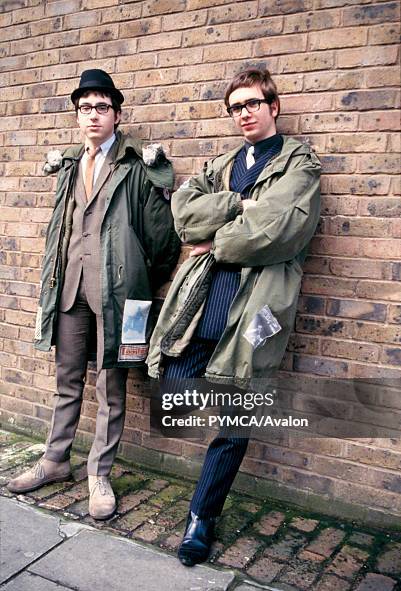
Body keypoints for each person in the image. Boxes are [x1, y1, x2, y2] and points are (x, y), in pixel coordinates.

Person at [147, 67, 321, 565]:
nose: (244, 113)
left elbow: (279, 230)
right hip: (202, 302)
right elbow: (183, 214)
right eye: (236, 106)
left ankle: (202, 517)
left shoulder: (299, 164)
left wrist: (213, 240)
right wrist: (241, 203)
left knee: (235, 417)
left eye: (252, 103)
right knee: (174, 385)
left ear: (274, 106)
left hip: (254, 310)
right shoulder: (222, 164)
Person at [7, 69, 180, 520]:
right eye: (85, 108)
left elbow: (163, 239)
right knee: (67, 381)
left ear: (116, 115)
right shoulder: (69, 165)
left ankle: (98, 474)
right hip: (70, 293)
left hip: (121, 298)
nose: (93, 116)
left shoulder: (135, 166)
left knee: (111, 387)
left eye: (102, 107)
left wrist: (135, 274)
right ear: (77, 116)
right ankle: (54, 460)